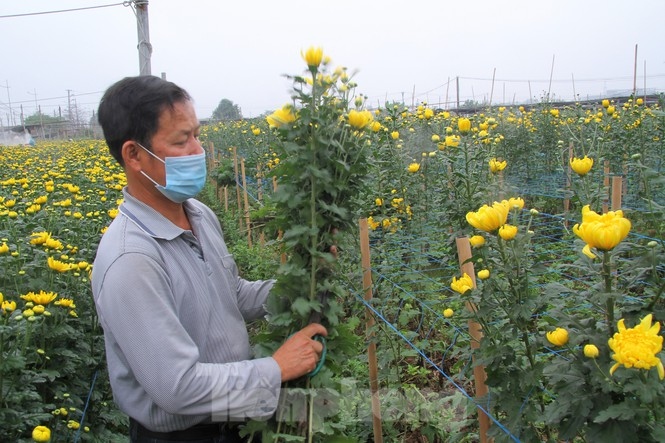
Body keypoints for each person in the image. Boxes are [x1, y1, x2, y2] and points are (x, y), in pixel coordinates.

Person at [91, 75, 327, 443]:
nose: (198, 150)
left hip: (236, 417)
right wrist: (275, 368)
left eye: (196, 134)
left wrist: (302, 284)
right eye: (181, 140)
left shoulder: (197, 214)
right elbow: (177, 387)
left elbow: (229, 293)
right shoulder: (131, 259)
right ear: (134, 155)